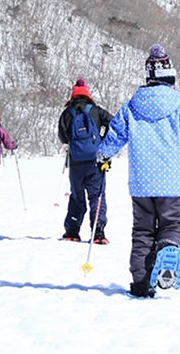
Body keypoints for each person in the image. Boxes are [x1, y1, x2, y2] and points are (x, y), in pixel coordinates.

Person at [97, 44, 180, 298]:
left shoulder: (132, 106)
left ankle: (141, 282)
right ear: (170, 77)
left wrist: (103, 155)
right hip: (170, 181)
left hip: (141, 183)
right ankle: (170, 246)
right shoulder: (179, 106)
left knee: (142, 231)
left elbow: (114, 137)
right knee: (172, 223)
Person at [58, 78, 113, 243]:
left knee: (76, 196)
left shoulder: (67, 113)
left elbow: (62, 137)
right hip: (95, 162)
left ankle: (72, 232)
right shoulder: (95, 111)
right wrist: (102, 140)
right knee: (96, 196)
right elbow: (114, 123)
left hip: (76, 163)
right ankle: (98, 233)